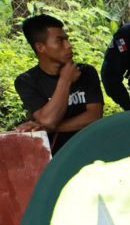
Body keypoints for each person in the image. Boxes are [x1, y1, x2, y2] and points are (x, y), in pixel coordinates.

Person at [14, 14, 103, 153]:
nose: (68, 46)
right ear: (40, 47)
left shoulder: (86, 72)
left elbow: (94, 117)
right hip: (52, 156)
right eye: (60, 41)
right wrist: (65, 80)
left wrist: (45, 127)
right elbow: (48, 119)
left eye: (67, 39)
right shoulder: (27, 81)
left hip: (89, 149)